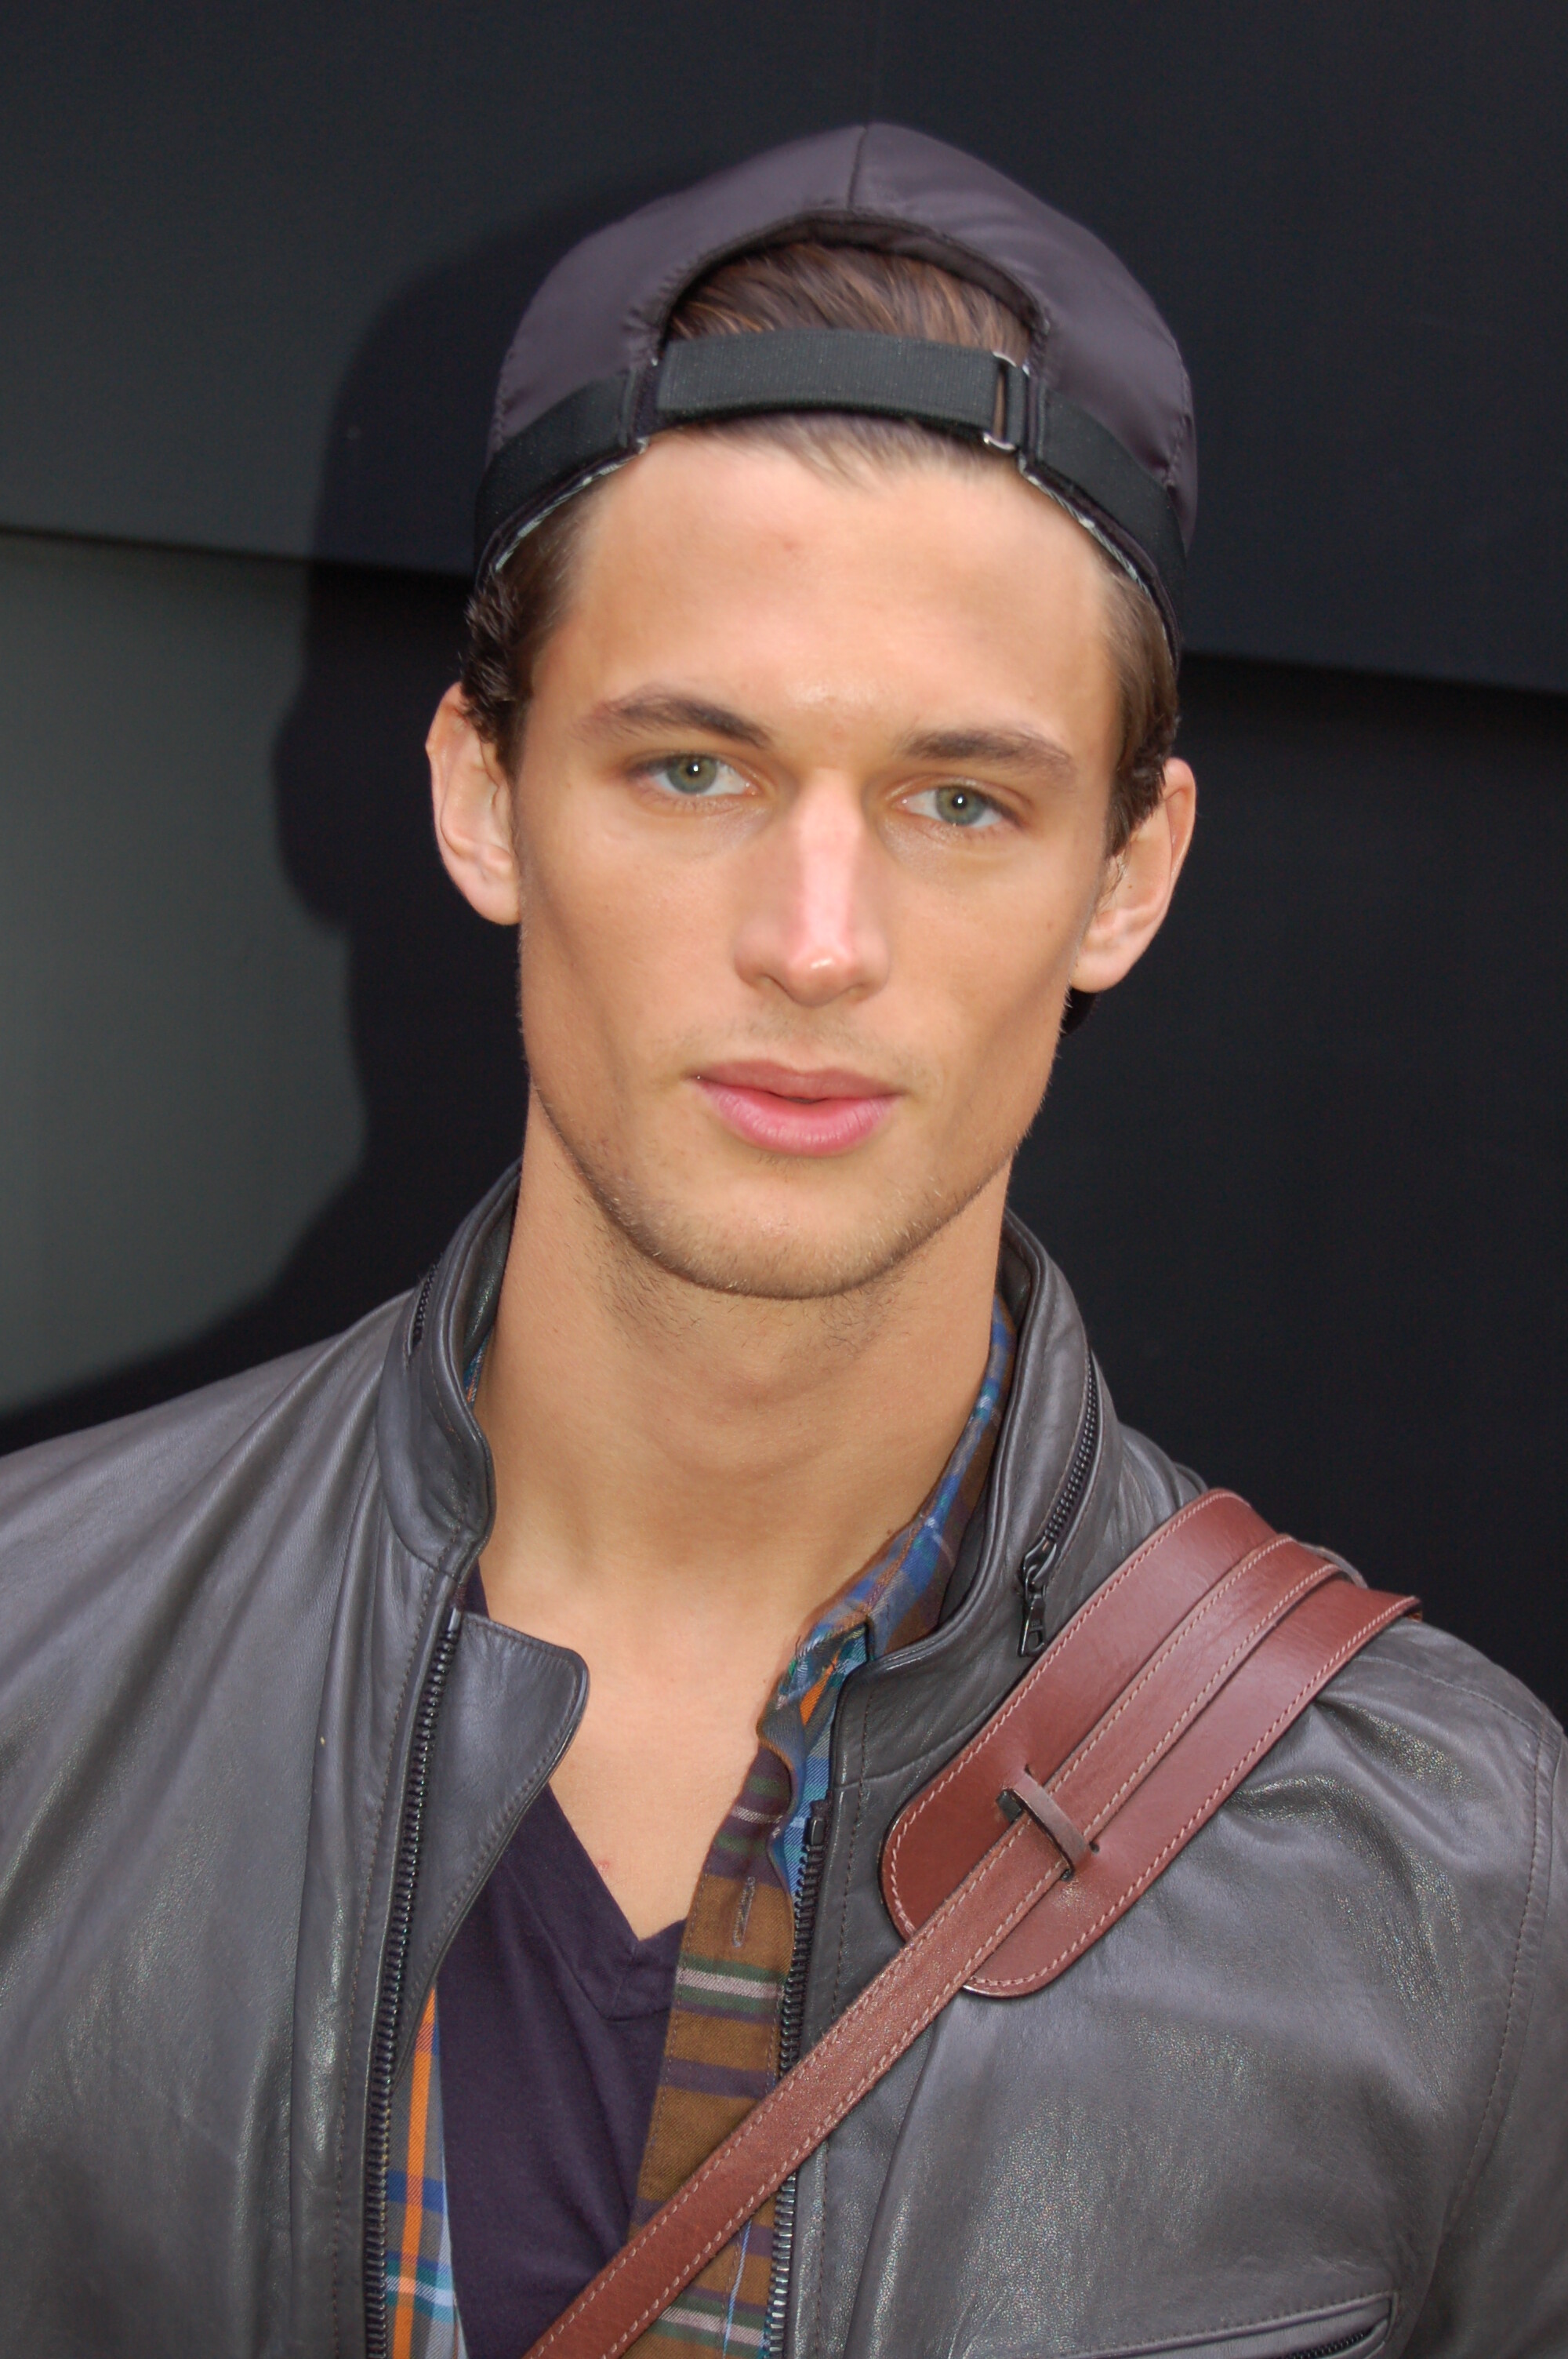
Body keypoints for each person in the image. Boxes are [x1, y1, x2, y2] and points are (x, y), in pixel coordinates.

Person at [0, 125, 1562, 2359]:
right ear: (480, 794)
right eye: (692, 771)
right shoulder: (34, 1683)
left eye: (960, 802)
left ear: (1128, 877)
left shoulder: (1457, 1878)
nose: (816, 944)